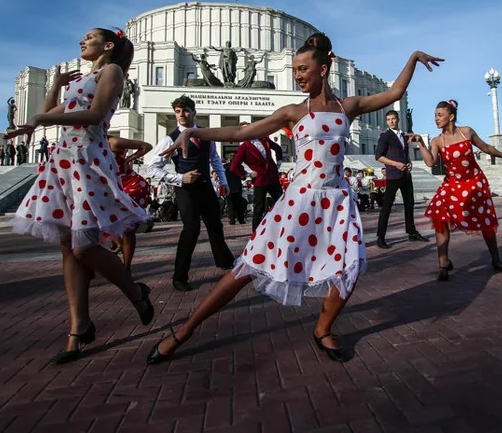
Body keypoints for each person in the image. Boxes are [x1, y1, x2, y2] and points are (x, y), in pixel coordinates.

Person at [145, 33, 443, 365]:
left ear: (323, 69)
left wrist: (413, 58)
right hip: (298, 202)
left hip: (337, 203)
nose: (297, 75)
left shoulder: (348, 107)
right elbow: (240, 133)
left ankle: (323, 329)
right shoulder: (292, 111)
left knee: (349, 268)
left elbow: (394, 93)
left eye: (303, 69)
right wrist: (193, 131)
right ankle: (184, 330)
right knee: (246, 268)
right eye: (294, 70)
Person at [4, 28, 154, 364]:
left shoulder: (111, 71)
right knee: (67, 245)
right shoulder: (79, 81)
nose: (82, 41)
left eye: (89, 37)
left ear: (108, 45)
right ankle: (78, 327)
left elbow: (96, 115)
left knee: (83, 245)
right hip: (63, 161)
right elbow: (50, 113)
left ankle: (135, 291)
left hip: (88, 159)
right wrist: (55, 88)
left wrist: (42, 117)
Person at [417, 100, 502, 281]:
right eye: (435, 116)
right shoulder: (437, 141)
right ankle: (443, 264)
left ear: (451, 116)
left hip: (474, 184)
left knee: (486, 220)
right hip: (452, 185)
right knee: (440, 216)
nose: (436, 119)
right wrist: (420, 143)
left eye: (440, 115)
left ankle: (496, 260)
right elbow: (430, 162)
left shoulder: (466, 132)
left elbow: (486, 147)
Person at [147, 95, 234, 292]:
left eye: (185, 111)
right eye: (178, 112)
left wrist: (223, 181)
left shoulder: (205, 134)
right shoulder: (169, 139)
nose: (182, 115)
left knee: (215, 225)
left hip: (206, 187)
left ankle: (225, 261)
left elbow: (214, 159)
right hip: (185, 190)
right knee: (191, 229)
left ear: (194, 112)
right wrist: (180, 178)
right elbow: (152, 169)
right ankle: (179, 276)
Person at [375, 110, 428, 248]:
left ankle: (412, 232)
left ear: (398, 119)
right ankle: (380, 237)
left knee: (409, 204)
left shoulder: (404, 136)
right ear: (386, 121)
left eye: (393, 119)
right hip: (393, 175)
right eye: (388, 119)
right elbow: (378, 156)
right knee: (387, 206)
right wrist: (395, 164)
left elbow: (404, 154)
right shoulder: (385, 136)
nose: (391, 121)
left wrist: (408, 163)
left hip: (406, 175)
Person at [108, 136, 154, 275]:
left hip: (129, 185)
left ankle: (126, 268)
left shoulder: (113, 142)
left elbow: (147, 146)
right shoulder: (89, 142)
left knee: (128, 229)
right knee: (104, 219)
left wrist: (129, 159)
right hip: (111, 186)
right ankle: (118, 245)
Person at [230, 123, 283, 231]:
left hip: (272, 176)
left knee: (282, 202)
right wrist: (247, 174)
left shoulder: (264, 139)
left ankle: (282, 227)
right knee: (259, 208)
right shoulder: (243, 147)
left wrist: (279, 161)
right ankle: (256, 232)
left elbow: (277, 148)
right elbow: (233, 167)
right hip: (260, 180)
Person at [224, 152, 247, 225]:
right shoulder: (240, 166)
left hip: (228, 187)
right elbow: (243, 177)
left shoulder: (225, 166)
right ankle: (241, 219)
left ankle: (232, 220)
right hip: (237, 187)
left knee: (230, 204)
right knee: (239, 204)